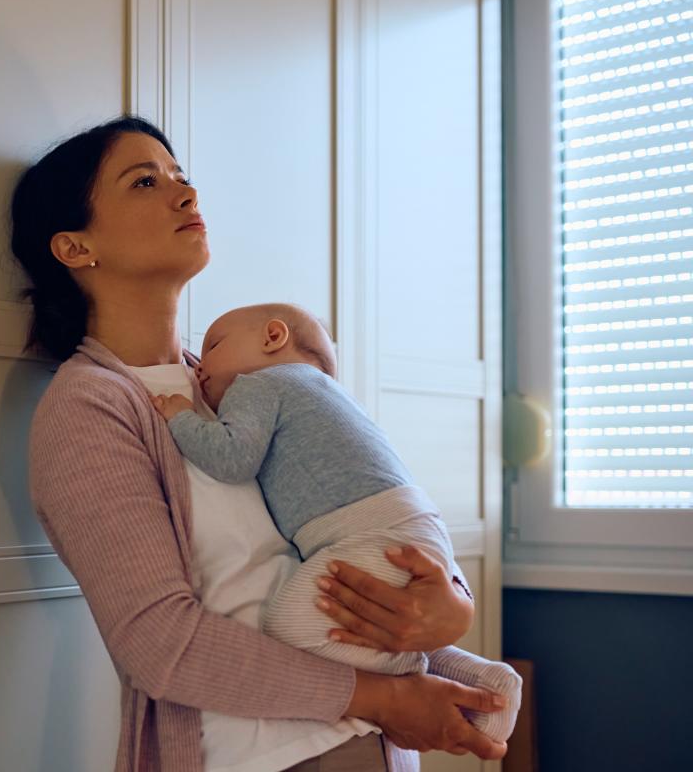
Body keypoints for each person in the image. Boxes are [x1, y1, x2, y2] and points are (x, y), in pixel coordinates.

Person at [10, 115, 508, 772]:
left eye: (182, 176)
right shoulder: (88, 409)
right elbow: (160, 642)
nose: (185, 194)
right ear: (74, 246)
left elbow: (361, 507)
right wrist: (390, 696)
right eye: (146, 181)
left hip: (374, 755)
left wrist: (445, 604)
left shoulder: (248, 383)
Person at [149, 302, 522, 743]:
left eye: (212, 345)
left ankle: (414, 675)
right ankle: (487, 683)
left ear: (273, 337)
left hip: (368, 531)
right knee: (388, 618)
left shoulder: (259, 384)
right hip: (412, 526)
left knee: (287, 627)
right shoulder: (325, 396)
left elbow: (232, 459)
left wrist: (180, 417)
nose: (200, 365)